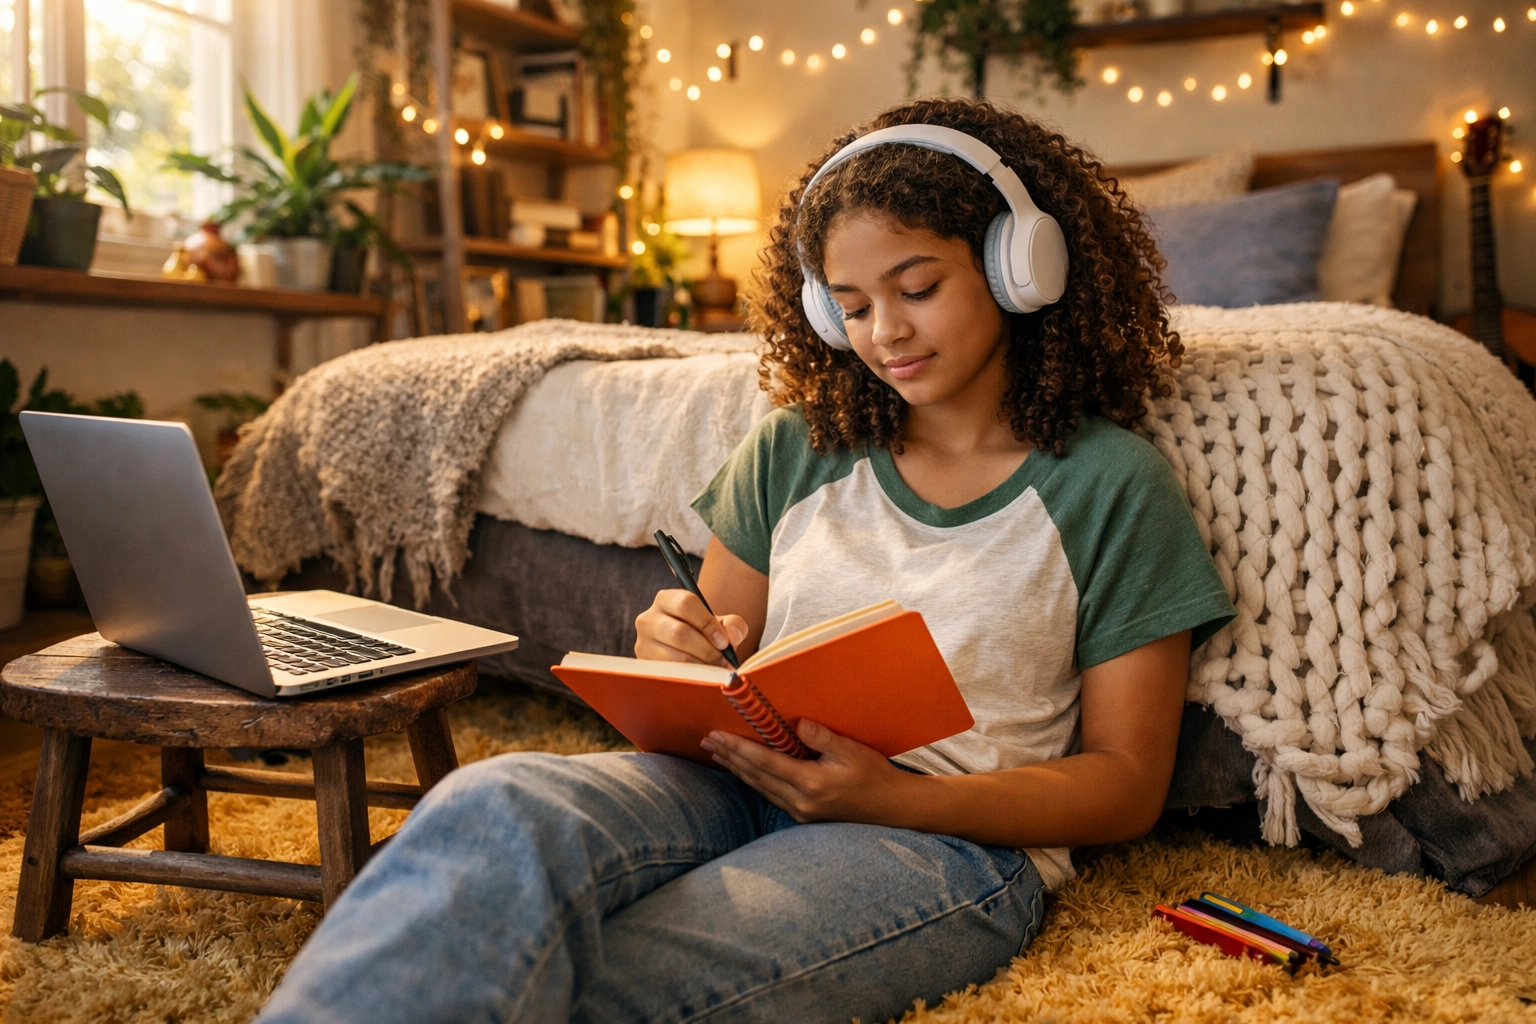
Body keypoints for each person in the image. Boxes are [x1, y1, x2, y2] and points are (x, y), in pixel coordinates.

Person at [257, 97, 1236, 1024]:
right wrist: (671, 650)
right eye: (849, 305)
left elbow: (1124, 781)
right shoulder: (798, 445)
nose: (883, 331)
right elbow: (713, 667)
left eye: (918, 287)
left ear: (1022, 267)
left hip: (944, 841)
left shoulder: (1113, 484)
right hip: (738, 780)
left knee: (600, 974)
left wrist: (896, 796)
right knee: (495, 801)